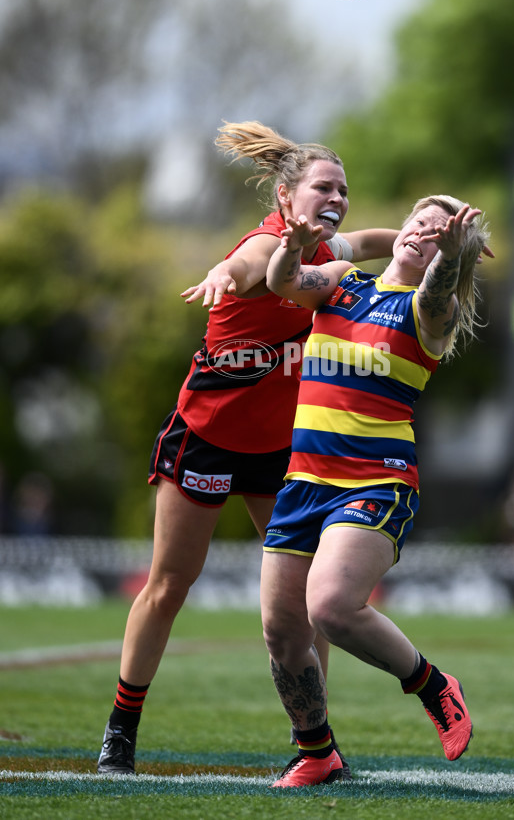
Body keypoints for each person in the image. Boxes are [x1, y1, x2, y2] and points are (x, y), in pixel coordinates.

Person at [97, 120, 404, 776]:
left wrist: (419, 241)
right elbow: (244, 266)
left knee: (306, 600)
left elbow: (372, 241)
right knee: (170, 584)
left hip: (276, 451)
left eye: (344, 189)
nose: (339, 197)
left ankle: (316, 743)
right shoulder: (269, 249)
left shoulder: (321, 254)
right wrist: (218, 270)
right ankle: (120, 731)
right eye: (325, 185)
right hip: (206, 436)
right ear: (286, 198)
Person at [260, 195, 491, 788]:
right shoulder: (342, 283)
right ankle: (318, 752)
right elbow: (284, 282)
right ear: (401, 227)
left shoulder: (427, 313)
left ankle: (434, 686)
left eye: (439, 234)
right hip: (303, 481)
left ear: (450, 253)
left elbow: (440, 288)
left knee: (331, 607)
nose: (423, 234)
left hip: (376, 480)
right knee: (283, 633)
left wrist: (452, 256)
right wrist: (290, 245)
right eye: (419, 223)